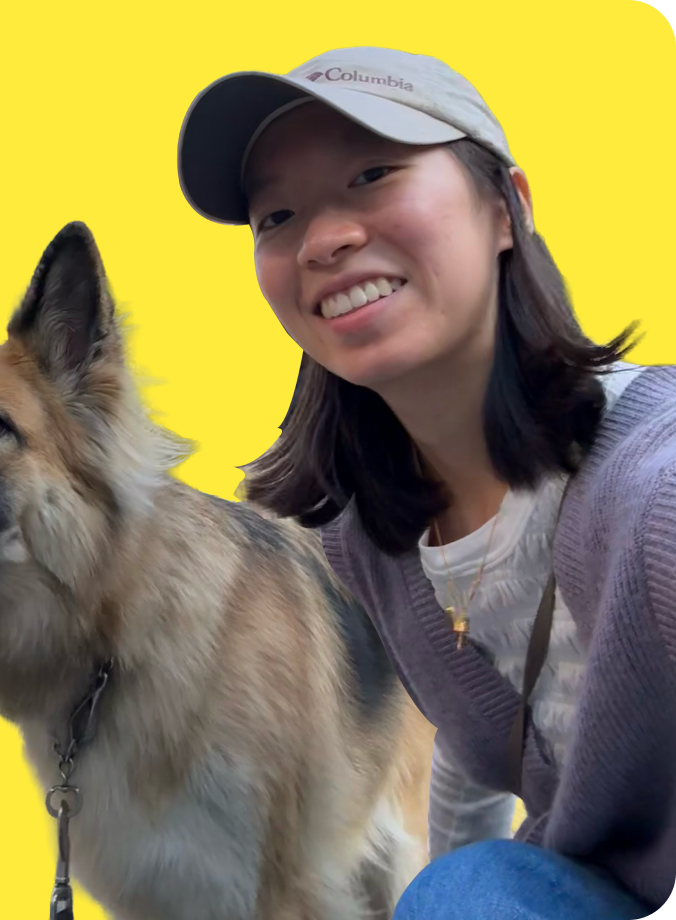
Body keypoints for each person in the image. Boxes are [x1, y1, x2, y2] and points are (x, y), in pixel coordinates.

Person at [176, 47, 674, 918]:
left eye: (372, 174)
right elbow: (477, 730)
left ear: (507, 208)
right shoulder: (369, 541)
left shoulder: (652, 493)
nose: (322, 240)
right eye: (276, 215)